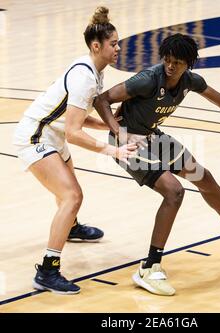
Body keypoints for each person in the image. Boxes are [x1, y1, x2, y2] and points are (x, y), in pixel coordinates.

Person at [94, 33, 220, 296]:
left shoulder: (191, 81)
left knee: (204, 178)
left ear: (188, 64)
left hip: (152, 137)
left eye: (178, 63)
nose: (171, 66)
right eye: (168, 60)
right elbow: (101, 100)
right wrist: (118, 132)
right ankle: (149, 267)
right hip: (130, 143)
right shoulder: (148, 79)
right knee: (174, 192)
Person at [13, 6, 137, 295]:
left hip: (52, 134)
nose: (118, 47)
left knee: (68, 194)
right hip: (35, 136)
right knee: (72, 195)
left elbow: (77, 120)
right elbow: (73, 131)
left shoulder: (93, 70)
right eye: (113, 43)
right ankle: (47, 270)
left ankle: (69, 227)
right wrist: (111, 150)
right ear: (97, 46)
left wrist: (111, 123)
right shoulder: (84, 76)